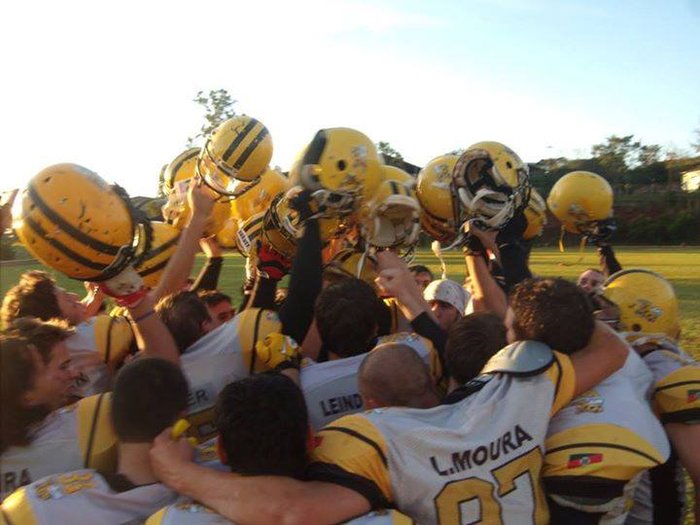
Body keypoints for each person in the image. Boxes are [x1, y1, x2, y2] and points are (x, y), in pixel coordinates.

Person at [149, 281, 628, 523]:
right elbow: (611, 349)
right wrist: (551, 311)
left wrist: (177, 471)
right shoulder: (520, 389)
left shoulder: (372, 438)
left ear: (369, 401)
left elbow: (291, 512)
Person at [1, 358, 187, 523]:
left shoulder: (37, 506)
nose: (71, 373)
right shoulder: (206, 494)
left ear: (110, 421)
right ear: (180, 422)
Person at [301, 278, 441, 430]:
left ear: (319, 328)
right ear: (375, 328)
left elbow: (306, 357)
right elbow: (410, 334)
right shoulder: (417, 353)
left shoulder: (303, 384)